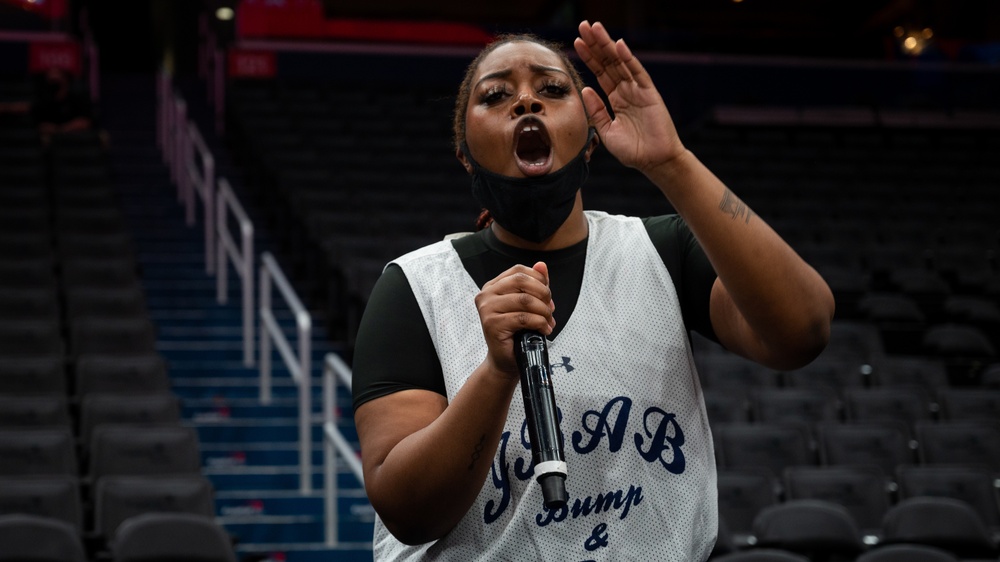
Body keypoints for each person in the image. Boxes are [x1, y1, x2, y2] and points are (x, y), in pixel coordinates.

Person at [351, 20, 835, 561]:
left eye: (552, 89)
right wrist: (495, 373)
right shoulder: (414, 287)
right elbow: (407, 511)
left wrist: (669, 161)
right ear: (464, 152)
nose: (527, 101)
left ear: (588, 142)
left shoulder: (663, 250)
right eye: (496, 95)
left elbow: (804, 330)